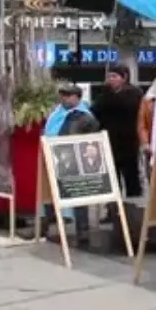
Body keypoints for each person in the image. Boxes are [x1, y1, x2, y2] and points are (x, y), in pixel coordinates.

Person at [43, 84, 101, 246]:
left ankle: (82, 231)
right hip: (54, 156)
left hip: (74, 159)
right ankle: (50, 225)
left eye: (68, 95)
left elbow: (92, 139)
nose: (64, 98)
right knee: (50, 193)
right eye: (63, 95)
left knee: (77, 195)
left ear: (77, 97)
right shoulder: (57, 113)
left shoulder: (85, 116)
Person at [91, 66, 143, 221]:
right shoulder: (106, 94)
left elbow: (128, 107)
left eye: (114, 76)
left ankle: (134, 211)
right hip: (109, 141)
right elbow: (95, 110)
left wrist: (111, 98)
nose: (111, 80)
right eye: (109, 77)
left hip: (128, 142)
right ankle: (113, 211)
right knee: (113, 180)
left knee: (131, 178)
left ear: (124, 77)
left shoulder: (134, 93)